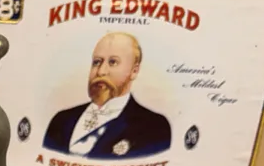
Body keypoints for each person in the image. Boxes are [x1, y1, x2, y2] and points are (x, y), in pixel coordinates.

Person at [43, 32, 171, 158]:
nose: (101, 72)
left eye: (113, 62)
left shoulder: (154, 126)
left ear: (134, 71)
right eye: (97, 62)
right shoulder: (61, 120)